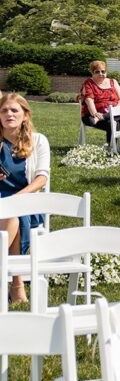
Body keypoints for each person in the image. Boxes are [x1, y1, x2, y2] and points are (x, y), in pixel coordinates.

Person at [0, 93, 50, 303]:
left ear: (25, 115)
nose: (9, 114)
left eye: (14, 110)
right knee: (11, 219)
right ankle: (17, 286)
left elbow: (41, 178)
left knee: (14, 217)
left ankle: (14, 284)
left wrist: (15, 200)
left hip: (27, 201)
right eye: (4, 110)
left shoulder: (38, 141)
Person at [80, 59, 120, 143]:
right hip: (92, 116)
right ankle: (112, 149)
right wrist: (95, 114)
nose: (101, 74)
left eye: (103, 71)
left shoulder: (113, 82)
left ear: (106, 72)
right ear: (92, 73)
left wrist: (116, 111)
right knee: (113, 123)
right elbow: (89, 100)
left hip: (113, 114)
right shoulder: (88, 83)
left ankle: (111, 148)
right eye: (97, 72)